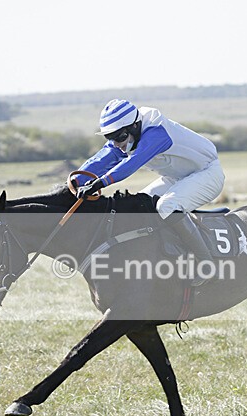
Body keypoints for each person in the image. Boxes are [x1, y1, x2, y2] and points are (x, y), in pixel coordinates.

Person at [74, 99, 226, 285]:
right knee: (138, 206)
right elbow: (100, 160)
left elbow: (132, 163)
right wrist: (75, 182)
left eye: (119, 137)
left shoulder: (157, 132)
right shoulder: (126, 135)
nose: (116, 143)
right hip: (177, 177)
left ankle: (206, 263)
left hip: (207, 174)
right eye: (110, 138)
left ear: (135, 126)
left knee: (166, 206)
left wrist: (99, 183)